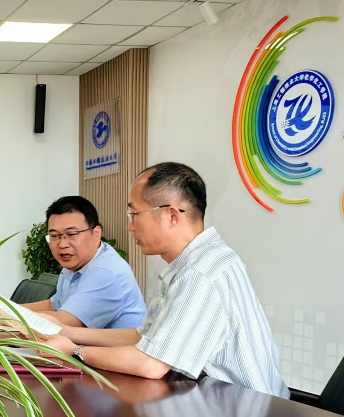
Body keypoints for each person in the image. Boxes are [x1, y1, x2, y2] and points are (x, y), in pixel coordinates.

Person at [45, 163, 288, 398]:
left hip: (248, 414)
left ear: (172, 215)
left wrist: (74, 351)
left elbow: (152, 364)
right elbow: (143, 337)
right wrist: (66, 332)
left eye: (134, 214)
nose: (130, 227)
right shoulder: (197, 261)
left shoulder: (200, 273)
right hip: (220, 402)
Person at [0, 196, 145, 329]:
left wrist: (1, 317)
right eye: (54, 236)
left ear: (96, 233)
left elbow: (62, 322)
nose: (62, 244)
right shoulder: (75, 263)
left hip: (111, 364)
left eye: (72, 234)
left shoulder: (106, 272)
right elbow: (54, 305)